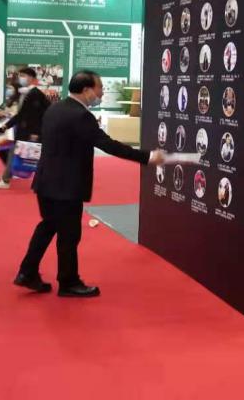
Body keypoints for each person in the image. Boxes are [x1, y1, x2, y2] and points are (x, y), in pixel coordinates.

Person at [15, 70, 165, 297]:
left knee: (47, 226)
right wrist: (148, 157)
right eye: (100, 87)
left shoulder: (55, 109)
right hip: (66, 186)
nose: (102, 92)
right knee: (69, 235)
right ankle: (69, 282)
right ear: (86, 90)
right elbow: (108, 145)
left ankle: (27, 272)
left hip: (46, 181)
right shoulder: (81, 116)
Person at [0, 67, 51, 190]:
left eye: (23, 76)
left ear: (31, 78)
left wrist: (35, 132)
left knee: (35, 158)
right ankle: (6, 179)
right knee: (16, 154)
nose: (20, 78)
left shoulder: (35, 94)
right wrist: (7, 125)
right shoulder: (26, 93)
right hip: (24, 131)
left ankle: (6, 180)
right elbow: (22, 114)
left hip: (30, 132)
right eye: (20, 76)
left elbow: (37, 115)